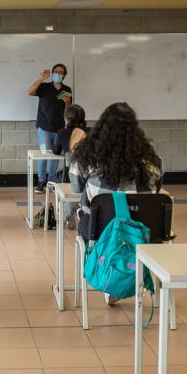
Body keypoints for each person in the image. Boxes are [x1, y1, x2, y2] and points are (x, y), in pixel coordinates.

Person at [70, 102, 163, 304]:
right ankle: (120, 280)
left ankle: (111, 276)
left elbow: (76, 188)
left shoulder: (87, 159)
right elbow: (156, 190)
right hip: (143, 231)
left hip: (99, 231)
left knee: (87, 209)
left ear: (101, 128)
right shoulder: (152, 162)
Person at [27, 63, 72, 193]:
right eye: (55, 71)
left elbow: (69, 110)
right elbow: (30, 92)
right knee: (44, 155)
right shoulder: (45, 87)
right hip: (44, 126)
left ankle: (51, 179)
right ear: (52, 73)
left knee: (55, 155)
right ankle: (41, 180)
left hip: (59, 128)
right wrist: (41, 78)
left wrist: (68, 102)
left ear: (64, 75)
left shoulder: (67, 89)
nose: (58, 74)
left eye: (60, 72)